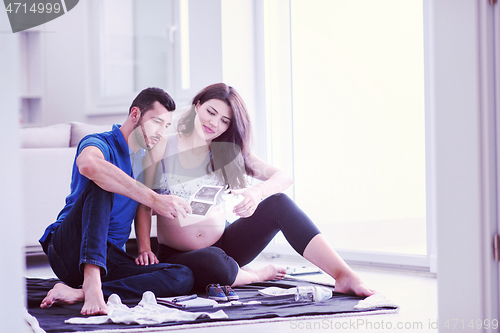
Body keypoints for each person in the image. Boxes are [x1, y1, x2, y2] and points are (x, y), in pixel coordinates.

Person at [135, 83, 375, 296]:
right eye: (211, 112)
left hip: (226, 244)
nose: (214, 123)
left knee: (279, 203)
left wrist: (257, 193)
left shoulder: (227, 151)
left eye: (224, 121)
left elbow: (283, 177)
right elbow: (144, 201)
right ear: (197, 105)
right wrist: (145, 247)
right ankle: (256, 275)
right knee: (214, 262)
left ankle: (344, 275)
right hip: (179, 254)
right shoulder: (164, 144)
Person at [38, 87, 195, 316]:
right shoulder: (99, 142)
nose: (161, 132)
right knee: (102, 179)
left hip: (110, 257)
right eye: (156, 122)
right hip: (68, 249)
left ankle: (80, 292)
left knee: (182, 275)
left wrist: (144, 248)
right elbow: (89, 165)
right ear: (135, 114)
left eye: (166, 126)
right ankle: (90, 281)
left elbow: (143, 205)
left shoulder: (145, 162)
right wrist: (154, 197)